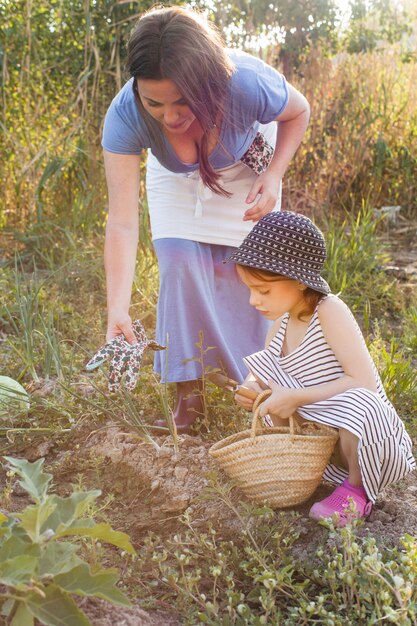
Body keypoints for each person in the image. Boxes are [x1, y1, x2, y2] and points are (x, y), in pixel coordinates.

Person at [101, 6, 311, 433]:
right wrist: (116, 307)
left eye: (183, 101)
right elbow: (122, 221)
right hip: (177, 183)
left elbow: (299, 111)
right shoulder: (125, 115)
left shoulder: (247, 82)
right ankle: (188, 397)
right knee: (179, 262)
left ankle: (259, 384)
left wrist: (274, 176)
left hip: (246, 169)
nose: (171, 117)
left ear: (209, 82)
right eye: (154, 103)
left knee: (249, 274)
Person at [229, 211, 416, 525]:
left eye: (263, 290)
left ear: (300, 282)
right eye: (249, 290)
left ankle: (357, 491)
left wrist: (298, 397)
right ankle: (311, 475)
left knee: (363, 402)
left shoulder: (329, 312)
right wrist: (250, 387)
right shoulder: (280, 327)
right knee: (275, 392)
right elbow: (263, 370)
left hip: (370, 442)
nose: (253, 300)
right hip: (324, 447)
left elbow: (365, 382)